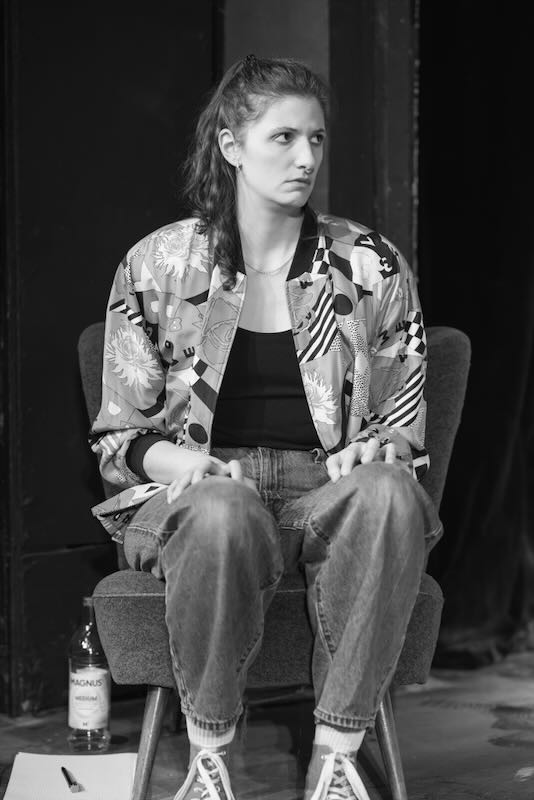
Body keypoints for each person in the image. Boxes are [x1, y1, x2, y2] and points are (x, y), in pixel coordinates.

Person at [89, 54, 442, 800]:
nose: (306, 157)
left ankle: (336, 759)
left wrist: (378, 447)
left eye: (316, 139)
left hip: (326, 494)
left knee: (389, 492)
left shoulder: (370, 265)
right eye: (283, 138)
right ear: (231, 146)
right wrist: (185, 468)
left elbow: (402, 423)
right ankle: (210, 757)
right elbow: (121, 437)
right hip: (201, 494)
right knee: (219, 508)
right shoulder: (157, 264)